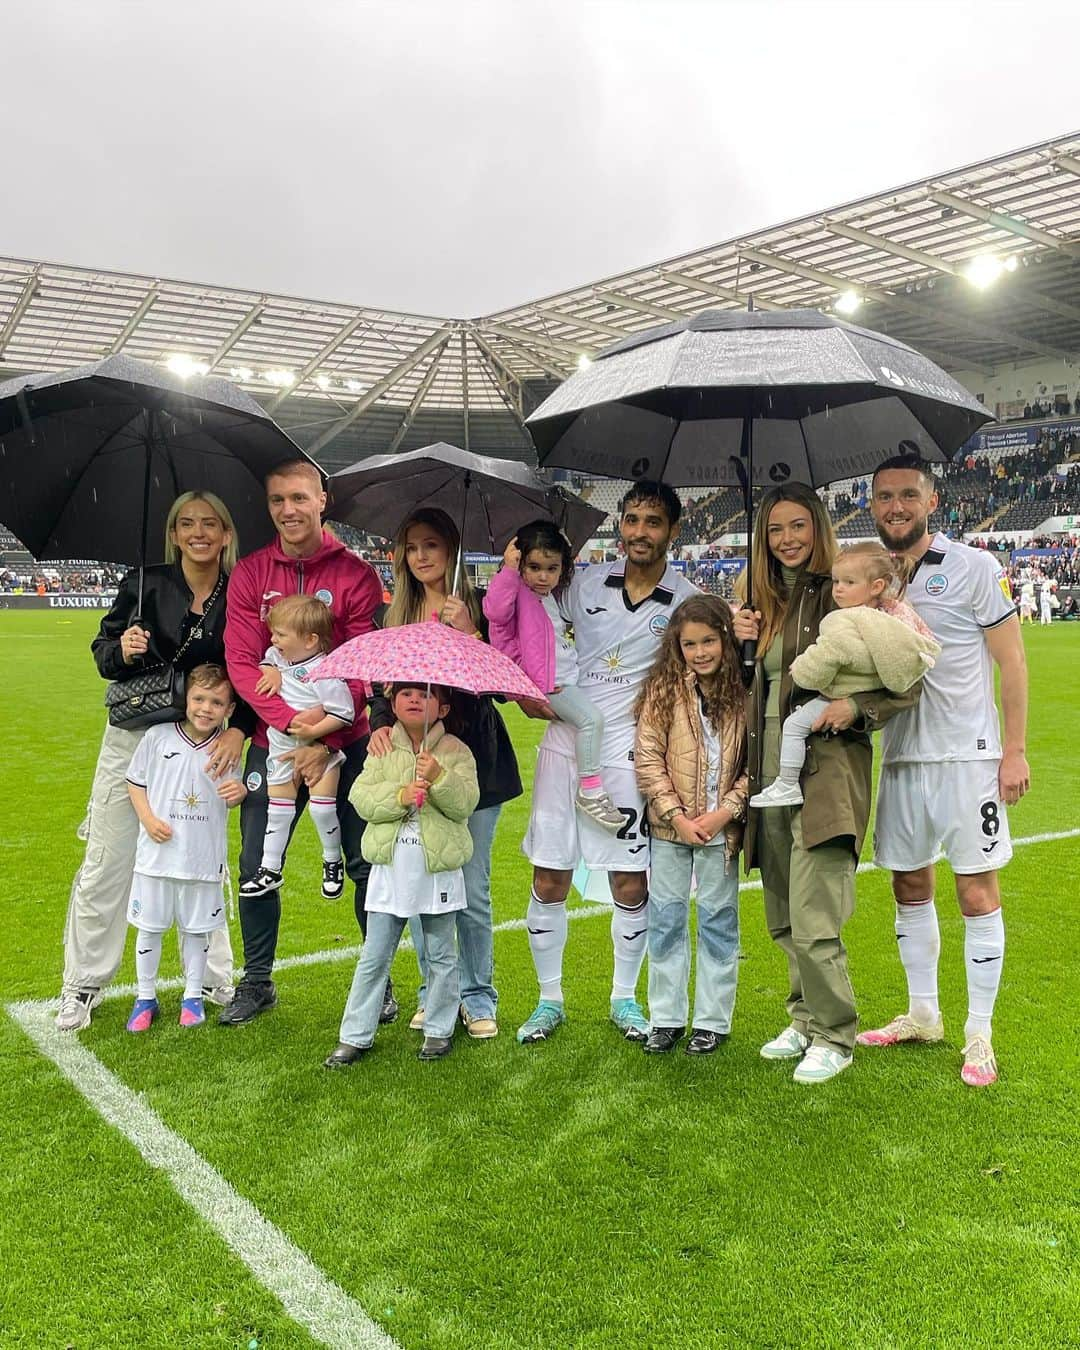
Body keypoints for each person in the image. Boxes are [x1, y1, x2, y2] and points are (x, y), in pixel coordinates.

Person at [732, 483, 919, 1084]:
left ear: (818, 529)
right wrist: (740, 640)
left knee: (816, 920)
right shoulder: (756, 600)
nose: (786, 540)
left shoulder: (845, 596)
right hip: (767, 774)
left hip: (828, 773)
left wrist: (857, 708)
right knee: (783, 916)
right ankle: (805, 1018)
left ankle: (835, 1034)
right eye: (775, 529)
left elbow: (907, 678)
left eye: (798, 527)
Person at [859, 453, 1030, 1088]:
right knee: (908, 886)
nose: (895, 507)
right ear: (872, 506)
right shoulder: (870, 576)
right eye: (883, 497)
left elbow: (1011, 663)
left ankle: (979, 1031)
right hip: (901, 757)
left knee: (975, 892)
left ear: (933, 502)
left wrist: (1013, 751)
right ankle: (923, 1013)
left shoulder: (973, 566)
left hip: (968, 756)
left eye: (907, 495)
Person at [56, 491, 251, 1032]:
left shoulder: (240, 592)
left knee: (204, 860)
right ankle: (83, 984)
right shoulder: (144, 582)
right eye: (186, 523)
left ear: (227, 534)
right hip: (135, 735)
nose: (198, 532)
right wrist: (126, 647)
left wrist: (240, 728)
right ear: (172, 532)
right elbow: (103, 655)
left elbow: (252, 667)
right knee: (107, 858)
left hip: (204, 740)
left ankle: (214, 976)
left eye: (210, 523)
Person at [517, 480, 699, 1046]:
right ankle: (549, 1000)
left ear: (672, 529)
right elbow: (531, 612)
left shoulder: (687, 597)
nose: (639, 531)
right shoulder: (587, 581)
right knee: (549, 874)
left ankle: (624, 997)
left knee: (628, 878)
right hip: (562, 744)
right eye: (631, 519)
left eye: (651, 521)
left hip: (625, 755)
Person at [222, 460, 383, 1026]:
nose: (287, 510)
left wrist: (327, 735)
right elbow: (242, 662)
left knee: (366, 864)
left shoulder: (358, 576)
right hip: (277, 745)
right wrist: (292, 727)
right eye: (275, 500)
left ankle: (377, 984)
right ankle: (257, 981)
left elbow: (364, 668)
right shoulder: (249, 573)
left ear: (322, 500)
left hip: (350, 744)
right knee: (255, 861)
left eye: (297, 497)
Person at [366, 507, 521, 1041]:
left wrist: (472, 633)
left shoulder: (476, 608)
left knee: (470, 888)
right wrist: (381, 724)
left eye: (431, 545)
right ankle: (436, 993)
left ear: (452, 551)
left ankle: (478, 995)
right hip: (412, 766)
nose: (422, 556)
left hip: (472, 764)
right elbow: (381, 687)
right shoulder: (397, 614)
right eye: (412, 547)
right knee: (421, 883)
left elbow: (505, 685)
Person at [324, 684, 480, 1066]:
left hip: (437, 870)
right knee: (375, 954)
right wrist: (400, 795)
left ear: (442, 708)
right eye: (406, 694)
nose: (414, 700)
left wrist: (439, 778)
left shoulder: (456, 752)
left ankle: (439, 1030)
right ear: (392, 703)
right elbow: (361, 798)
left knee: (442, 954)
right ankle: (355, 1034)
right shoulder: (380, 748)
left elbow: (465, 805)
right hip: (391, 869)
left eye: (424, 695)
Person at [634, 594, 748, 1055]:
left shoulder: (745, 689)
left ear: (725, 639)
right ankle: (665, 1018)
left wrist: (726, 811)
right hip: (670, 830)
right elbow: (648, 759)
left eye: (709, 641)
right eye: (689, 644)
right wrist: (676, 817)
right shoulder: (663, 690)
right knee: (665, 920)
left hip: (722, 829)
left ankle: (712, 1021)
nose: (700, 652)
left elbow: (755, 765)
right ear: (676, 647)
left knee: (719, 922)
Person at [749, 542, 940, 808]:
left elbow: (829, 655)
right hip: (864, 694)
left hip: (837, 696)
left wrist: (801, 670)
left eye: (849, 582)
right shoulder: (893, 616)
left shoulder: (842, 620)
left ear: (876, 586)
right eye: (837, 580)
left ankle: (787, 783)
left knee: (793, 726)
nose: (838, 588)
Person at [124, 665, 247, 1032]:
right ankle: (145, 997)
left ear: (229, 709)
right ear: (185, 699)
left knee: (197, 931)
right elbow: (135, 782)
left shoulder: (228, 747)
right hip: (156, 858)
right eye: (199, 699)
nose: (206, 708)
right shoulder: (159, 737)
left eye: (216, 702)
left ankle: (192, 996)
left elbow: (233, 794)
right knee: (150, 928)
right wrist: (147, 819)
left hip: (202, 860)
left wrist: (238, 793)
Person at [483, 519, 622, 831]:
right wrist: (508, 570)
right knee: (591, 720)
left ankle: (589, 785)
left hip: (561, 677)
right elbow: (494, 611)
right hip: (547, 683)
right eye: (534, 567)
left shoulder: (547, 597)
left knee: (594, 720)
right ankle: (591, 789)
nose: (543, 576)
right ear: (521, 565)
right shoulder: (517, 591)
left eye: (551, 568)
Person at [239, 594, 354, 902]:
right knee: (277, 812)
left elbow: (343, 713)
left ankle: (332, 861)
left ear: (310, 639)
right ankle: (270, 869)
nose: (273, 639)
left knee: (321, 809)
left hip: (319, 750)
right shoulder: (277, 656)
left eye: (280, 634)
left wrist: (315, 731)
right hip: (279, 751)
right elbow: (265, 660)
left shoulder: (325, 671)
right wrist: (269, 669)